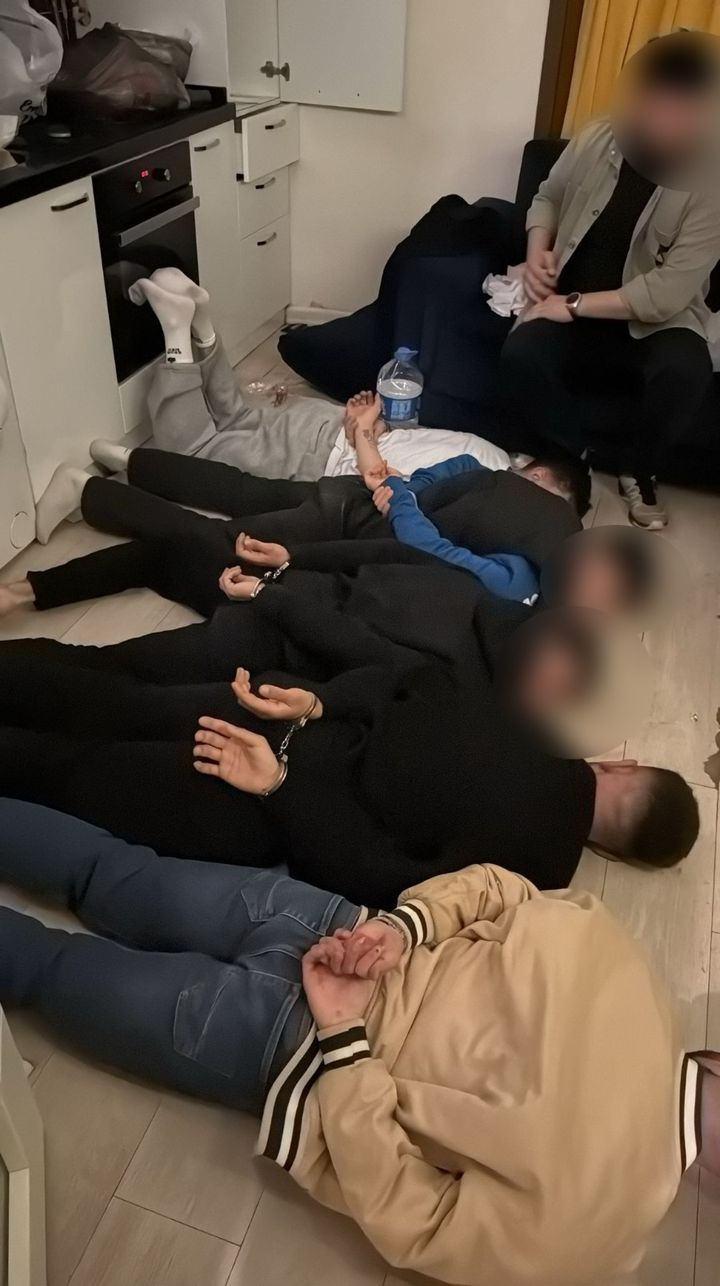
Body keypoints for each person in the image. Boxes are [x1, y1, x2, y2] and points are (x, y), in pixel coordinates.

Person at [0, 798, 715, 1286]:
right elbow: (416, 1223)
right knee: (48, 969)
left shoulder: (630, 964)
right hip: (297, 1048)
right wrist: (346, 1042)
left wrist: (401, 928)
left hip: (336, 929)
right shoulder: (596, 1238)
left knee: (111, 872)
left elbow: (501, 889)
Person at [32, 265, 512, 544]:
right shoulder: (480, 494)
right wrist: (364, 431)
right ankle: (177, 332)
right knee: (196, 452)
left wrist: (366, 422)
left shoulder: (492, 453)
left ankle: (202, 324)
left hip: (330, 426)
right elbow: (381, 481)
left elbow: (412, 438)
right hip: (326, 456)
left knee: (237, 418)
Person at [1, 407, 586, 619]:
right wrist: (402, 497)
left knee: (236, 496)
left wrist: (401, 497)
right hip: (342, 514)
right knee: (214, 532)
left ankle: (116, 469)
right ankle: (95, 489)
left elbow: (425, 517)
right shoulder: (493, 485)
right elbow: (425, 526)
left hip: (348, 502)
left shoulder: (523, 556)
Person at [499, 30, 720, 529]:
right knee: (521, 353)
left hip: (652, 322)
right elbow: (547, 196)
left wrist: (570, 304)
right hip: (573, 310)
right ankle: (569, 454)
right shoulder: (598, 138)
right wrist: (537, 253)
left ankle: (638, 468)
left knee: (686, 370)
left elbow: (667, 293)